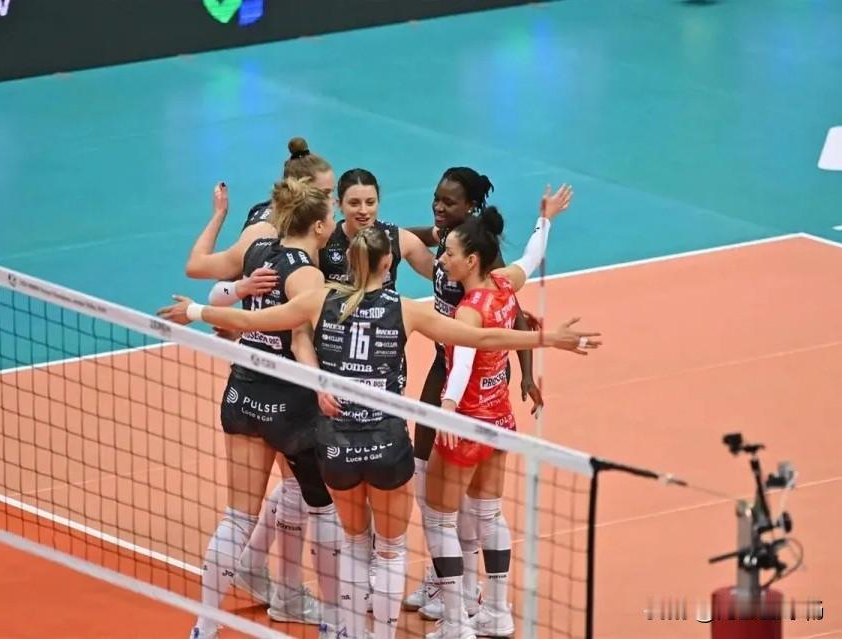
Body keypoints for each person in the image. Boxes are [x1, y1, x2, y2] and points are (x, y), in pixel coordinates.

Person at [158, 226, 600, 639]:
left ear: (349, 260)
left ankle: (349, 632)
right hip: (387, 445)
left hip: (337, 446)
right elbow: (482, 339)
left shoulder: (319, 300)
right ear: (389, 263)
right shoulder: (405, 310)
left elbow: (254, 322)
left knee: (354, 545)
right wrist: (546, 340)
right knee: (390, 551)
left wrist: (195, 310)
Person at [173, 176, 343, 639]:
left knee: (237, 517)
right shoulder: (307, 274)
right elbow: (298, 334)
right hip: (290, 405)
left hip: (243, 393)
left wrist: (223, 318)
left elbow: (223, 292)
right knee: (322, 510)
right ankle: (334, 625)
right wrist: (321, 382)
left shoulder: (257, 251)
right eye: (331, 216)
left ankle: (204, 626)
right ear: (319, 226)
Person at [422, 186, 575, 639]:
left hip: (466, 425)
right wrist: (545, 219)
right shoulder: (505, 284)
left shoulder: (469, 312)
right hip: (500, 422)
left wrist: (447, 409)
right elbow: (532, 256)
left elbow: (463, 363)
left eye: (450, 253)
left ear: (471, 260)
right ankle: (496, 611)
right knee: (488, 516)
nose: (443, 259)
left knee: (438, 519)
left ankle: (455, 623)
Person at [405, 167, 545, 613]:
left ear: (471, 208)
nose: (438, 207)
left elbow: (510, 318)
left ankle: (462, 590)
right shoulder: (447, 241)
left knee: (456, 501)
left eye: (449, 202)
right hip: (445, 367)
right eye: (436, 198)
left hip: (465, 382)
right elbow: (531, 258)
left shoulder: (481, 262)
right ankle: (446, 579)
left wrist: (525, 374)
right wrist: (385, 232)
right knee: (425, 471)